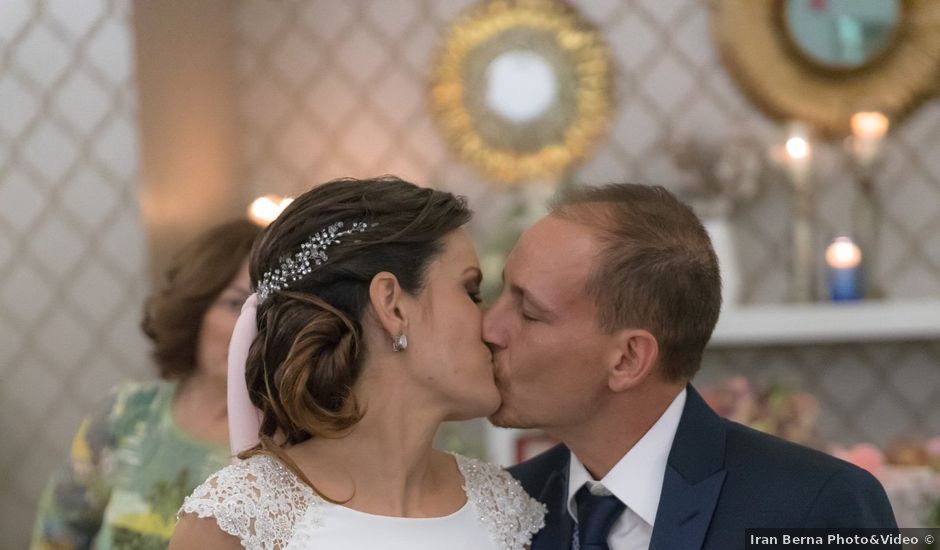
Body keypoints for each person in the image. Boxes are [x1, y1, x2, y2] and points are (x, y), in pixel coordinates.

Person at [484, 183, 897, 550]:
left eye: (529, 312)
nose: (489, 328)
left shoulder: (816, 507)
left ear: (628, 359)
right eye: (502, 292)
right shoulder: (503, 504)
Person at [170, 176, 545, 550]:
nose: (492, 325)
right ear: (393, 305)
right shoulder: (238, 521)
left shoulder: (505, 508)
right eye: (471, 291)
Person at [30, 219, 260, 550]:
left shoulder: (286, 443)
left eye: (266, 309)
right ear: (194, 310)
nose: (249, 328)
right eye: (235, 304)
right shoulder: (126, 413)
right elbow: (57, 533)